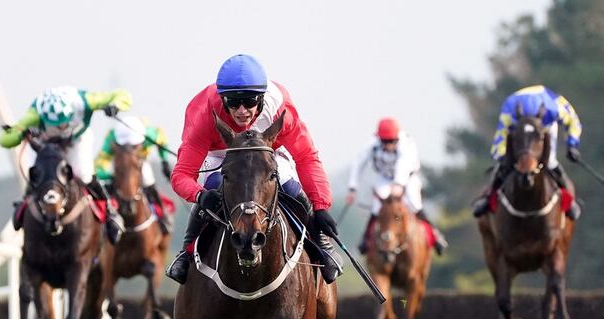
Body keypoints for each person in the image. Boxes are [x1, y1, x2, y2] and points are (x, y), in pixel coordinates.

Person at [165, 54, 342, 284]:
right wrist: (200, 195)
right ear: (222, 99)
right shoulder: (205, 114)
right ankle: (186, 252)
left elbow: (306, 157)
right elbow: (181, 175)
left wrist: (320, 206)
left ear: (261, 98)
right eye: (233, 102)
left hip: (267, 153)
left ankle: (320, 241)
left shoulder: (279, 108)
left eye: (249, 101)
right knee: (215, 185)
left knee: (288, 185)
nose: (241, 111)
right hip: (223, 155)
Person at [0, 86, 132, 244]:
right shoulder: (34, 114)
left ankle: (110, 211)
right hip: (48, 144)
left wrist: (115, 105)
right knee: (36, 172)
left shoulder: (84, 101)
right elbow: (5, 140)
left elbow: (123, 95)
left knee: (84, 173)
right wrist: (21, 133)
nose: (62, 128)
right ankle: (24, 203)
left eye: (64, 123)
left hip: (77, 140)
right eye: (57, 125)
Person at [472, 85, 583, 219]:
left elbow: (574, 122)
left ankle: (569, 200)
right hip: (518, 130)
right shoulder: (510, 108)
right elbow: (501, 135)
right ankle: (489, 196)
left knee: (550, 162)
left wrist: (572, 145)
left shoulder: (554, 107)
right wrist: (501, 156)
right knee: (506, 164)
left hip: (544, 129)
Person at [346, 117, 448, 256]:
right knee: (377, 207)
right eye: (385, 142)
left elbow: (403, 164)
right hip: (385, 178)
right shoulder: (372, 144)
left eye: (391, 141)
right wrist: (352, 188)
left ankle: (435, 236)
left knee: (415, 204)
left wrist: (399, 184)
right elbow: (358, 163)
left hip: (408, 179)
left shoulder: (406, 143)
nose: (388, 145)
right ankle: (366, 239)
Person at [93, 115, 175, 235]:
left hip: (140, 161)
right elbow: (98, 167)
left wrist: (165, 161)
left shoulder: (150, 134)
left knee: (148, 180)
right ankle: (108, 218)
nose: (131, 149)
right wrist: (111, 177)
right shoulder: (111, 139)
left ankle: (163, 214)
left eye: (135, 146)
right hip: (120, 165)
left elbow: (162, 140)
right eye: (127, 146)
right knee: (110, 186)